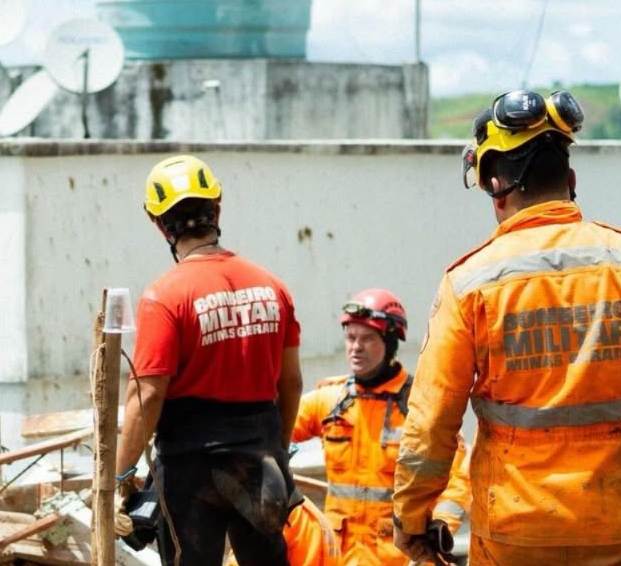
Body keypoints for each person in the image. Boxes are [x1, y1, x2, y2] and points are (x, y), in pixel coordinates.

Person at [392, 89, 621, 565]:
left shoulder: (469, 283)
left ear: (495, 186)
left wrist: (411, 516)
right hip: (618, 529)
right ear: (570, 180)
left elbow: (431, 419)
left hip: (514, 537)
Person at [114, 154, 304, 566]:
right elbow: (291, 384)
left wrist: (121, 476)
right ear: (216, 209)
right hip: (260, 457)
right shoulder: (273, 287)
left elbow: (147, 397)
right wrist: (278, 451)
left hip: (190, 470)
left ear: (159, 223)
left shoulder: (164, 296)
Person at [292, 288, 470, 566]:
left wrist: (439, 528)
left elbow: (459, 476)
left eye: (367, 338)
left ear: (390, 341)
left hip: (401, 558)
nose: (356, 347)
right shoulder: (330, 401)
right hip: (341, 558)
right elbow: (273, 430)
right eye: (350, 338)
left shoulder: (419, 407)